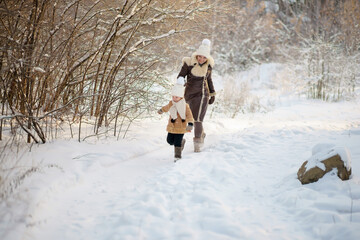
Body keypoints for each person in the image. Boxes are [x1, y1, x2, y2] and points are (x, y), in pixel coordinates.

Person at [176, 39, 216, 152]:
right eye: (200, 56)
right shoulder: (188, 63)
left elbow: (209, 80)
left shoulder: (208, 67)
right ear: (197, 55)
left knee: (197, 119)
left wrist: (212, 94)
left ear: (207, 58)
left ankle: (197, 145)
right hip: (188, 95)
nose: (201, 59)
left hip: (202, 95)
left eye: (204, 57)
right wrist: (180, 82)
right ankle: (181, 140)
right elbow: (181, 76)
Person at [158, 78, 194, 161]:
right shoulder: (171, 103)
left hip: (181, 127)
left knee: (177, 142)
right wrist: (161, 110)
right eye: (173, 96)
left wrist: (190, 123)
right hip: (172, 126)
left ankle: (177, 156)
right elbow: (166, 107)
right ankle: (182, 142)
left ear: (181, 97)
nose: (174, 98)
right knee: (169, 141)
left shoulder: (185, 106)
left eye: (176, 97)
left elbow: (189, 115)